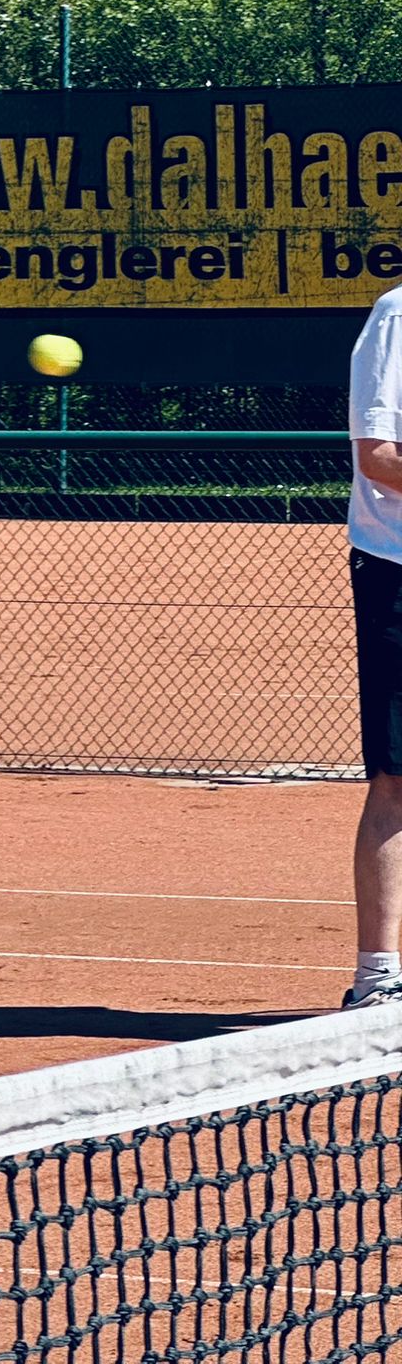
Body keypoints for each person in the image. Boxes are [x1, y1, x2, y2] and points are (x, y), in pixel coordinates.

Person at [344, 279, 402, 1007]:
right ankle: (378, 979)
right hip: (397, 571)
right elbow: (379, 455)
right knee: (396, 780)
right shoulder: (397, 317)